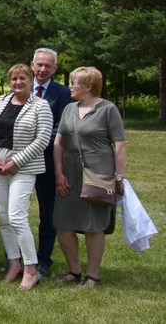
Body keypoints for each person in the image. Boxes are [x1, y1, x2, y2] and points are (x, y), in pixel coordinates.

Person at [53, 66, 126, 289]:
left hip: (98, 173)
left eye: (74, 82)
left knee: (94, 225)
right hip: (69, 172)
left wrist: (119, 177)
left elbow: (120, 145)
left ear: (88, 86)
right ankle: (74, 270)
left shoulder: (108, 109)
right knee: (63, 223)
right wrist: (58, 172)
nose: (70, 86)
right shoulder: (68, 108)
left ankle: (92, 275)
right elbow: (58, 142)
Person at [0, 64, 52, 290]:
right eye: (13, 79)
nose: (18, 82)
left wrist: (16, 162)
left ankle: (31, 268)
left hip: (23, 168)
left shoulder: (40, 106)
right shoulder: (1, 102)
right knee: (3, 217)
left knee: (17, 217)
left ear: (31, 80)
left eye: (22, 78)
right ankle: (14, 263)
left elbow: (42, 139)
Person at [31, 47, 73, 278]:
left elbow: (61, 127)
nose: (43, 69)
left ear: (55, 68)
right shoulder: (20, 87)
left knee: (48, 213)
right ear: (32, 65)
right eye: (39, 64)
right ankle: (17, 259)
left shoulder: (62, 94)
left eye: (48, 65)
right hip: (19, 163)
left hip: (47, 161)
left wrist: (34, 144)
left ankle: (43, 260)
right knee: (15, 212)